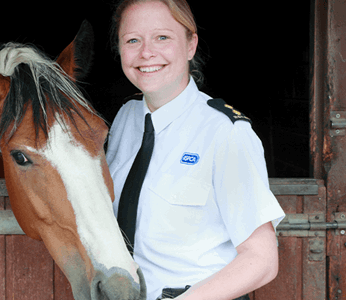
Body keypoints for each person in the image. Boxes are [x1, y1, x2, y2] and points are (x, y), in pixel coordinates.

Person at [105, 1, 286, 299]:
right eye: (132, 40)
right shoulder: (125, 120)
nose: (146, 52)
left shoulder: (225, 132)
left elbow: (262, 260)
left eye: (162, 37)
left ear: (191, 45)